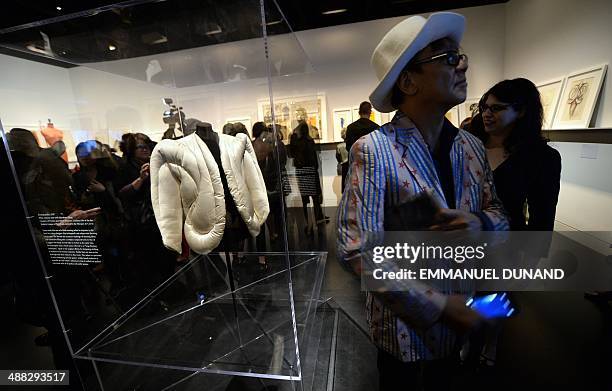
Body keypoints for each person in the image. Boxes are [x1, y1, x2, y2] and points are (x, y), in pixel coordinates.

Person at [336, 12, 508, 390]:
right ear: (409, 81)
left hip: (460, 332)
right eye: (447, 57)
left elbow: (499, 214)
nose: (462, 64)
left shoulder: (472, 147)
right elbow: (358, 249)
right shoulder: (375, 151)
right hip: (406, 340)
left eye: (460, 55)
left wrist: (479, 223)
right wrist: (440, 307)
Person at [477, 78, 562, 230]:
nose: (486, 114)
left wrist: (532, 253)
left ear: (521, 111)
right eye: (484, 108)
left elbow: (542, 219)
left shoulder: (542, 157)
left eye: (496, 108)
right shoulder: (469, 145)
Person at [290, 122, 329, 236]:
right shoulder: (309, 141)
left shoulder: (296, 142)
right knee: (315, 198)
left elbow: (292, 155)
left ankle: (308, 222)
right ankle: (317, 218)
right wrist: (315, 169)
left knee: (305, 199)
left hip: (302, 172)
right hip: (310, 171)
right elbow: (313, 159)